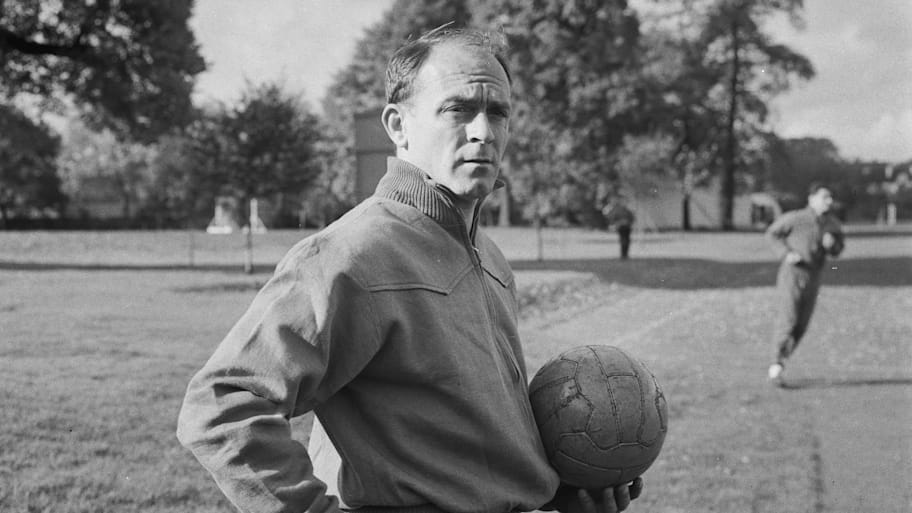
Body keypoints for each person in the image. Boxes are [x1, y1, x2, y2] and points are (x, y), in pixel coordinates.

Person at [177, 27, 643, 513]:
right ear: (398, 126)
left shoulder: (493, 258)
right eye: (458, 109)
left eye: (498, 112)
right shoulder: (352, 255)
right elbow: (223, 403)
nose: (483, 131)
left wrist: (561, 490)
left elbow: (465, 433)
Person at [765, 182, 845, 385]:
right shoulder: (796, 218)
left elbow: (838, 249)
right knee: (789, 320)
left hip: (814, 276)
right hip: (792, 274)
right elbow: (772, 233)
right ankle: (775, 367)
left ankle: (781, 363)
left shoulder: (832, 224)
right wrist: (786, 253)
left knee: (801, 325)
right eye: (824, 197)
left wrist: (832, 245)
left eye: (830, 198)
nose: (829, 201)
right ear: (811, 198)